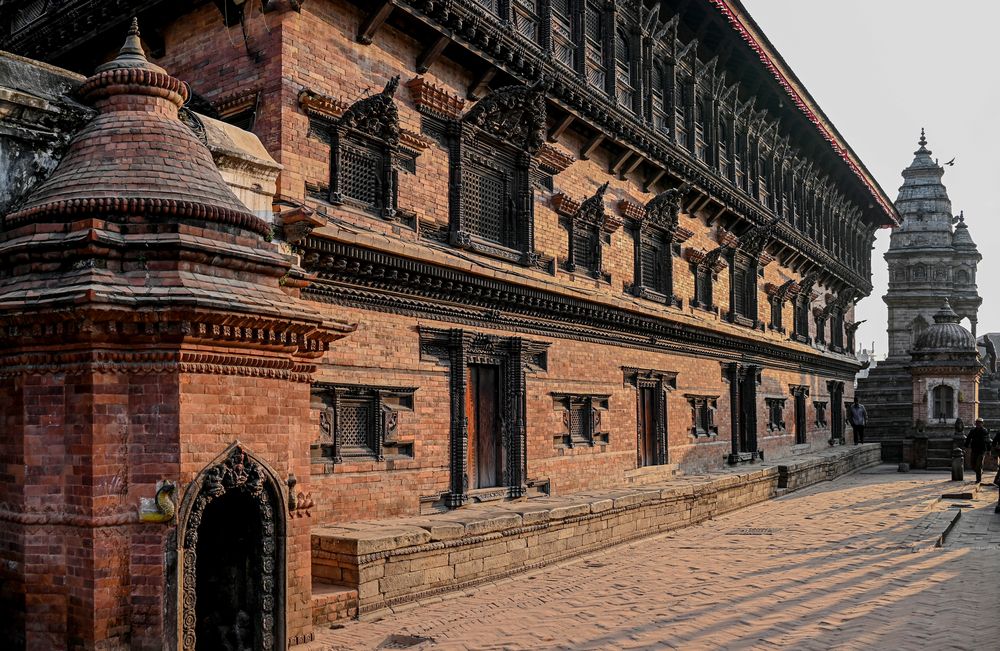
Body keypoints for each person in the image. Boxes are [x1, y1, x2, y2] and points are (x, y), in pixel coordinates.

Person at [964, 418, 991, 483]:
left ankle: (978, 480)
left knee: (978, 465)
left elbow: (988, 441)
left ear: (982, 424)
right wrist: (965, 447)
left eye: (980, 423)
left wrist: (989, 450)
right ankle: (980, 472)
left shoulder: (985, 431)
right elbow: (968, 439)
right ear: (975, 423)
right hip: (974, 450)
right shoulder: (973, 431)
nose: (978, 424)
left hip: (982, 450)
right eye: (977, 423)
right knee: (973, 464)